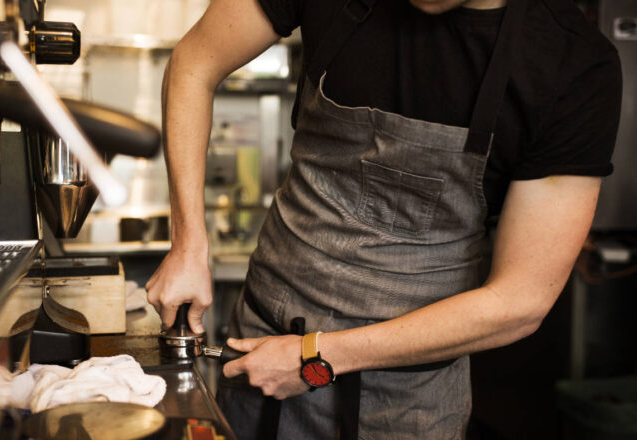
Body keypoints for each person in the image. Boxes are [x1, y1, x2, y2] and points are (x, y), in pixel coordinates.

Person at [146, 0, 622, 437]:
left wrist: (316, 357)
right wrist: (189, 245)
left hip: (407, 401)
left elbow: (521, 301)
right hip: (260, 357)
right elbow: (195, 63)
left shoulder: (573, 62)